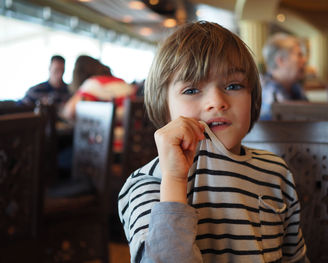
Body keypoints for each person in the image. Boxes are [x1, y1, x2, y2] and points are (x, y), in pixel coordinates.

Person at [118, 21, 308, 263]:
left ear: (253, 97)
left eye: (233, 86)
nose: (216, 102)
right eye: (191, 90)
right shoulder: (148, 182)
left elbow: (295, 258)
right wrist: (175, 180)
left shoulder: (276, 171)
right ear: (164, 107)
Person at [62, 62, 135, 154]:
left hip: (101, 151)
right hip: (130, 148)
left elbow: (68, 112)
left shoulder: (93, 84)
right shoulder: (125, 84)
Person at [260, 33, 308, 120]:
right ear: (281, 60)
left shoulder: (295, 88)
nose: (304, 60)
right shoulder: (269, 94)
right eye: (299, 55)